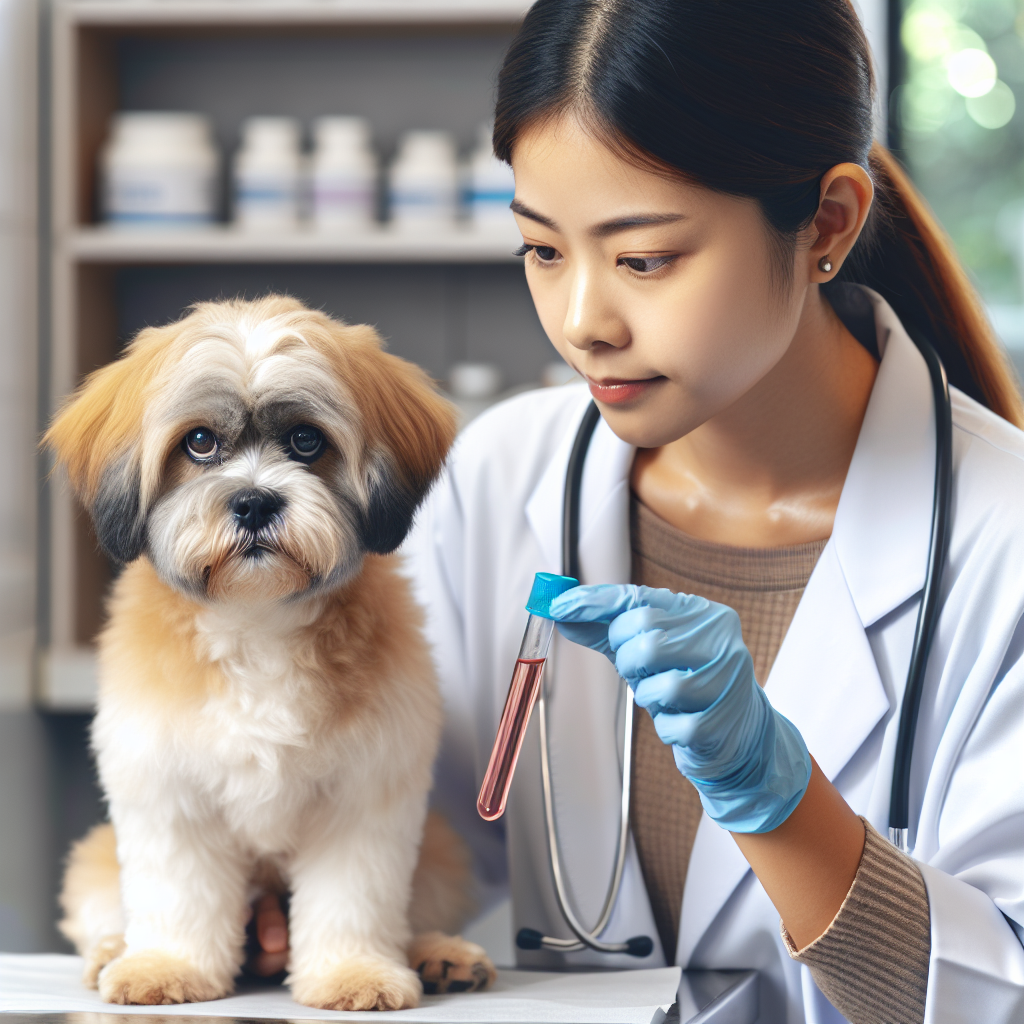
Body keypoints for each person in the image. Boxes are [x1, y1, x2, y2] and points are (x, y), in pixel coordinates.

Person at [255, 2, 1024, 1021]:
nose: (583, 323)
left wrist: (781, 801)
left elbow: (996, 994)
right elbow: (399, 836)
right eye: (542, 249)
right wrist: (277, 890)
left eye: (644, 258)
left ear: (827, 223)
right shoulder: (501, 475)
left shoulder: (999, 538)